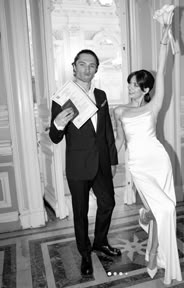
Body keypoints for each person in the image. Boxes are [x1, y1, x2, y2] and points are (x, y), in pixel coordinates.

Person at [114, 21, 182, 285]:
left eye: (134, 85)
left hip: (158, 161)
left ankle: (154, 252)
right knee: (163, 207)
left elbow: (162, 71)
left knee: (161, 210)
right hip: (139, 166)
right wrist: (108, 165)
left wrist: (164, 38)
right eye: (129, 83)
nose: (130, 88)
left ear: (145, 90)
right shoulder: (119, 111)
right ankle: (154, 243)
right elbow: (120, 142)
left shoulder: (153, 106)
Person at [49, 49, 121, 276]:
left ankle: (100, 242)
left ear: (96, 70)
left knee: (108, 203)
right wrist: (58, 124)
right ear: (74, 67)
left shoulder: (101, 95)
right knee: (79, 213)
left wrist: (113, 159)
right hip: (78, 164)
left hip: (101, 162)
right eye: (82, 64)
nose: (87, 69)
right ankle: (84, 252)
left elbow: (107, 131)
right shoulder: (61, 97)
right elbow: (55, 137)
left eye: (92, 66)